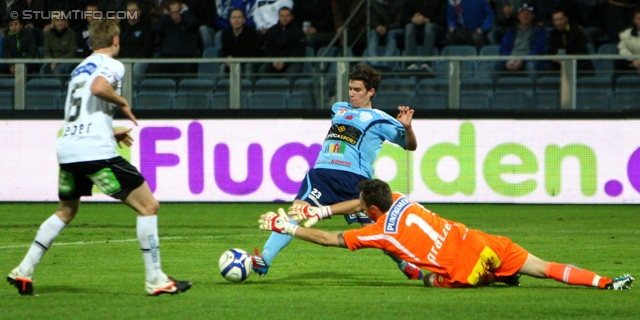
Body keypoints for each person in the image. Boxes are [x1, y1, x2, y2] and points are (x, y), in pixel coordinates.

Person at [6, 19, 191, 296]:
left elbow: (84, 107)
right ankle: (155, 279)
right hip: (93, 150)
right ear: (116, 41)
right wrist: (123, 102)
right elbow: (98, 89)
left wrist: (109, 129)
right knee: (148, 206)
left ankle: (24, 270)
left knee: (66, 211)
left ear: (91, 43)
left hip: (69, 147)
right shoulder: (113, 65)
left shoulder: (80, 68)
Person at [259, 179, 635, 290]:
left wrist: (289, 225)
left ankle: (491, 279)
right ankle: (605, 282)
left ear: (371, 211)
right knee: (545, 266)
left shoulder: (378, 233)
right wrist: (323, 210)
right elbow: (363, 204)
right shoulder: (403, 198)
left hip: (459, 269)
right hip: (479, 240)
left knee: (427, 280)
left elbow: (329, 240)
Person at [250, 64, 423, 281]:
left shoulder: (381, 119)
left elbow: (411, 146)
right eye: (350, 88)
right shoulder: (338, 108)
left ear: (371, 92)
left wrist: (407, 128)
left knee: (378, 230)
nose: (352, 93)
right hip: (323, 174)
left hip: (355, 181)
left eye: (358, 90)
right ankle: (264, 259)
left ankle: (404, 263)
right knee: (296, 212)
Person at [493, 4, 546, 80]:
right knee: (495, 65)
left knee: (531, 66)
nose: (525, 16)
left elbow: (537, 50)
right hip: (512, 59)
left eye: (528, 14)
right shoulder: (512, 31)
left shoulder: (538, 31)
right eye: (523, 14)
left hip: (529, 60)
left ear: (532, 16)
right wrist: (508, 60)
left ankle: (534, 90)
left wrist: (523, 61)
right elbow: (504, 48)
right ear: (518, 16)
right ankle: (495, 90)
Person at [149, 0, 201, 75]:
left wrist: (185, 10)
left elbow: (193, 23)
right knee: (151, 70)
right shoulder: (166, 24)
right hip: (167, 59)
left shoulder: (188, 24)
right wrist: (165, 16)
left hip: (185, 60)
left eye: (177, 11)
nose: (175, 14)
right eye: (172, 12)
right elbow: (155, 29)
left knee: (186, 70)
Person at [258, 6, 305, 77]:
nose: (284, 18)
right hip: (274, 62)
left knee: (291, 73)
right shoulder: (272, 31)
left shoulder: (298, 31)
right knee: (263, 70)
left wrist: (285, 62)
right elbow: (268, 50)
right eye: (282, 16)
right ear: (279, 17)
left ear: (291, 17)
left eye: (287, 16)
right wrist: (273, 61)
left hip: (292, 62)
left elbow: (299, 51)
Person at [403, 0, 448, 71]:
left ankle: (426, 63)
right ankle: (410, 63)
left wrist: (427, 19)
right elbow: (403, 18)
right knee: (409, 27)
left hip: (436, 28)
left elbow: (443, 19)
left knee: (429, 27)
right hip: (417, 28)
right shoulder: (410, 2)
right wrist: (413, 19)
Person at [366, 0, 406, 70]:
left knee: (391, 34)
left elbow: (399, 23)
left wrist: (386, 27)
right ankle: (374, 63)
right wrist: (378, 26)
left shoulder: (400, 3)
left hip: (396, 30)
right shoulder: (374, 4)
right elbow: (373, 20)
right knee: (373, 33)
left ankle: (386, 64)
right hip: (381, 30)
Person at [119, 1, 154, 76]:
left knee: (136, 70)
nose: (131, 13)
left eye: (134, 11)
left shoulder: (146, 27)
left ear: (139, 12)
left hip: (140, 60)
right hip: (123, 59)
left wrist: (135, 60)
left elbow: (147, 48)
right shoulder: (121, 26)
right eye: (129, 11)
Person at [221, 8, 261, 75]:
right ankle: (222, 85)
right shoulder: (225, 33)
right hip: (232, 62)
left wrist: (236, 60)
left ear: (244, 20)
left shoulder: (251, 33)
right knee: (222, 67)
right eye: (234, 18)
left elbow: (252, 53)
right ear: (230, 20)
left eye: (239, 17)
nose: (236, 21)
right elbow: (225, 51)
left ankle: (248, 85)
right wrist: (228, 58)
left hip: (247, 61)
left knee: (248, 66)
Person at [617, 8, 640, 74]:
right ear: (634, 20)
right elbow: (622, 50)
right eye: (639, 19)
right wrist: (633, 60)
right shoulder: (626, 35)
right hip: (632, 69)